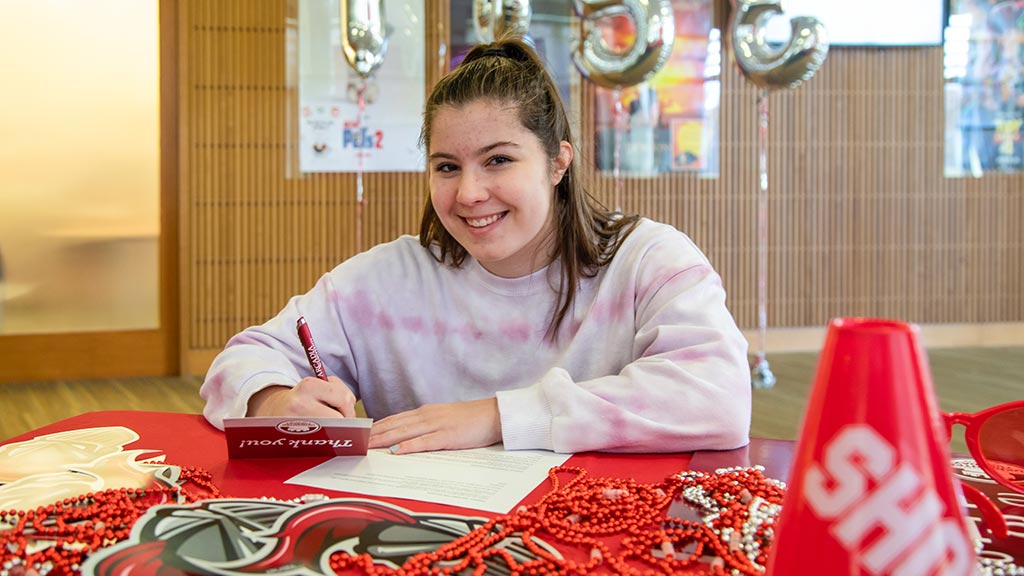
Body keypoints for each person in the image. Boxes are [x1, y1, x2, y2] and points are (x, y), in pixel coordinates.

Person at [201, 38, 751, 455]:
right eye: (447, 167)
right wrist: (273, 403)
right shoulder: (385, 281)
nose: (469, 193)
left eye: (498, 160)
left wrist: (497, 417)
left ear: (558, 161)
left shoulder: (647, 260)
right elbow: (242, 360)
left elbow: (718, 394)